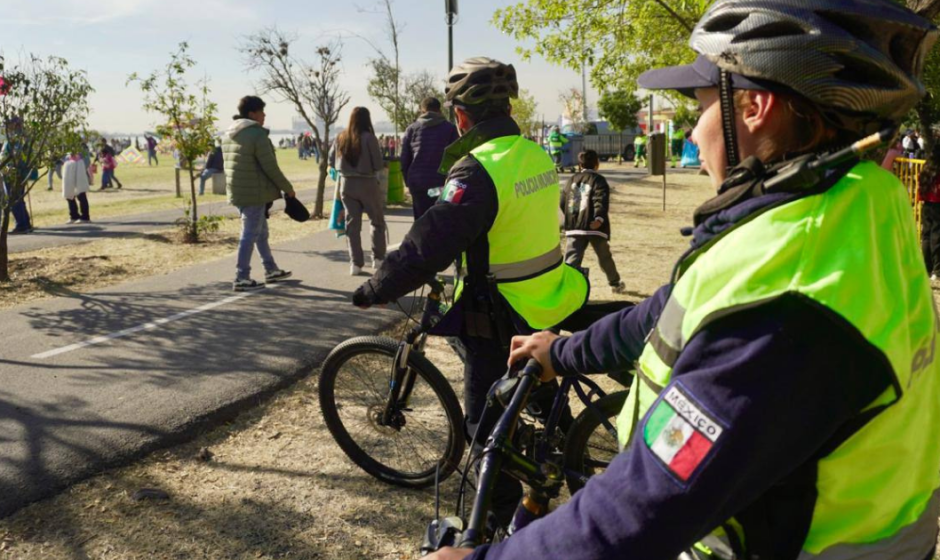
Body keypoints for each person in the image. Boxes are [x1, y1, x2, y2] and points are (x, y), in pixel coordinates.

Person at [425, 2, 940, 560]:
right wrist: (563, 351)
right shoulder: (848, 206)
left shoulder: (788, 307)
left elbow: (645, 508)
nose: (694, 132)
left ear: (755, 106)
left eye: (701, 106)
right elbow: (670, 309)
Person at [354, 57, 589, 526]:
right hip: (551, 293)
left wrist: (378, 287)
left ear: (460, 115)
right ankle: (555, 421)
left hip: (504, 313)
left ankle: (496, 519)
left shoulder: (476, 170)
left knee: (483, 427)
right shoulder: (534, 152)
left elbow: (428, 244)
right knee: (513, 377)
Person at [222, 95, 294, 292]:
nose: (264, 115)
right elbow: (270, 166)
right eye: (262, 111)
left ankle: (271, 269)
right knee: (250, 234)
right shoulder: (256, 134)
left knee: (261, 233)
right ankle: (241, 277)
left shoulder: (229, 134)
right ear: (252, 113)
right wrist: (287, 187)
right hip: (254, 191)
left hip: (238, 191)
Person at [329, 107, 387, 275]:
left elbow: (331, 161)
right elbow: (377, 164)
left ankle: (355, 263)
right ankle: (378, 259)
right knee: (376, 222)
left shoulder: (340, 137)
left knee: (352, 225)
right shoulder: (369, 138)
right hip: (367, 183)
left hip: (346, 184)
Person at [561, 149, 626, 294]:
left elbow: (563, 201)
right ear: (597, 164)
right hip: (594, 227)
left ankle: (566, 287)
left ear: (579, 165)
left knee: (572, 258)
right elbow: (600, 200)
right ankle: (615, 283)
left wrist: (571, 216)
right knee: (604, 257)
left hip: (575, 226)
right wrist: (598, 218)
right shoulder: (599, 180)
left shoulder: (571, 180)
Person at [400, 97, 460, 219]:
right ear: (439, 110)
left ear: (422, 110)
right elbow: (457, 157)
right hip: (441, 183)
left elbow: (404, 159)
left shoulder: (411, 129)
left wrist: (408, 181)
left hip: (418, 184)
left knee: (421, 221)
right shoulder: (450, 129)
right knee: (441, 219)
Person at [2, 117, 34, 234]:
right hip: (16, 172)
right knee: (18, 199)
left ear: (16, 125)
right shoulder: (17, 136)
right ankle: (25, 223)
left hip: (15, 172)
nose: (8, 126)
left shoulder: (18, 137)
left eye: (10, 124)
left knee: (14, 199)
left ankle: (22, 225)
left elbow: (16, 155)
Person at [61, 151, 90, 223]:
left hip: (78, 166)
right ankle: (74, 215)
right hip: (68, 166)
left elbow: (87, 160)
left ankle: (85, 216)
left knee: (81, 194)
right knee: (68, 193)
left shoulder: (81, 149)